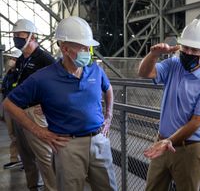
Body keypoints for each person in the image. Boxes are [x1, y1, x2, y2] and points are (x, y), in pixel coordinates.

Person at [3, 16, 117, 191]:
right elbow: (9, 104)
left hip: (99, 141)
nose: (88, 51)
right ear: (65, 48)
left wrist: (109, 116)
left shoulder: (95, 70)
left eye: (89, 47)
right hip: (67, 146)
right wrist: (39, 131)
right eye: (83, 47)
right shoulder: (43, 78)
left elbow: (108, 89)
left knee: (109, 187)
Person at [139, 18, 200, 191]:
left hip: (189, 150)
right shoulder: (174, 64)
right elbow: (144, 72)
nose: (188, 52)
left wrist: (169, 141)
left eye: (194, 49)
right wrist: (153, 55)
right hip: (162, 144)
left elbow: (197, 120)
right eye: (185, 47)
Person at [8, 19, 57, 191]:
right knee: (26, 156)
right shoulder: (22, 59)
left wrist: (48, 104)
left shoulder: (44, 59)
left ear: (31, 36)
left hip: (35, 113)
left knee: (44, 156)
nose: (16, 38)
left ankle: (52, 188)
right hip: (19, 111)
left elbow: (59, 83)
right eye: (14, 35)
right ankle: (33, 186)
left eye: (19, 35)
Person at [2, 49, 23, 169]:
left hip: (18, 107)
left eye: (14, 59)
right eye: (11, 59)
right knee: (12, 135)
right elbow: (4, 87)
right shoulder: (9, 73)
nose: (11, 61)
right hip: (8, 106)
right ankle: (15, 158)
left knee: (22, 135)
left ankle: (27, 160)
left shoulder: (20, 73)